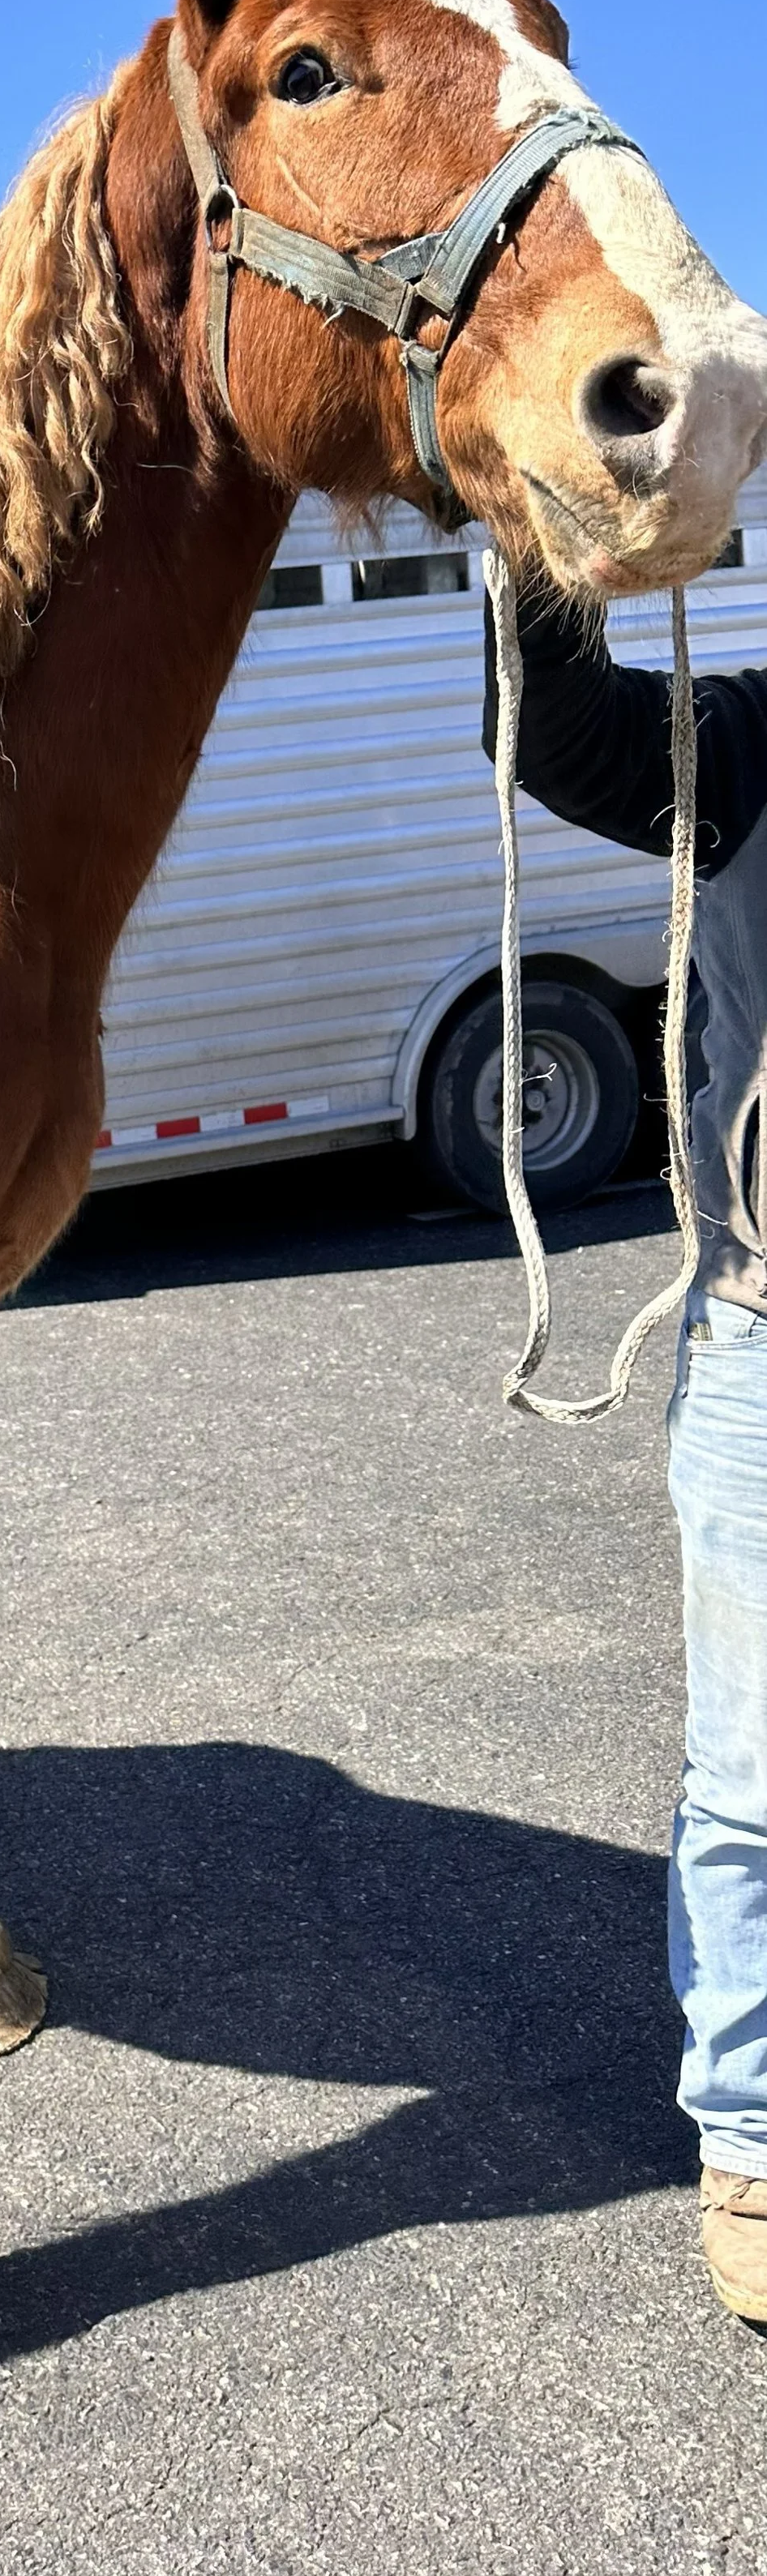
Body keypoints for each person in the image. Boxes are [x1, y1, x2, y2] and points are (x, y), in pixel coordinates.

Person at [489, 579, 767, 2321]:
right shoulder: (753, 740)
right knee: (753, 1780)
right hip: (766, 1336)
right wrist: (534, 533)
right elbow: (562, 735)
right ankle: (748, 2135)